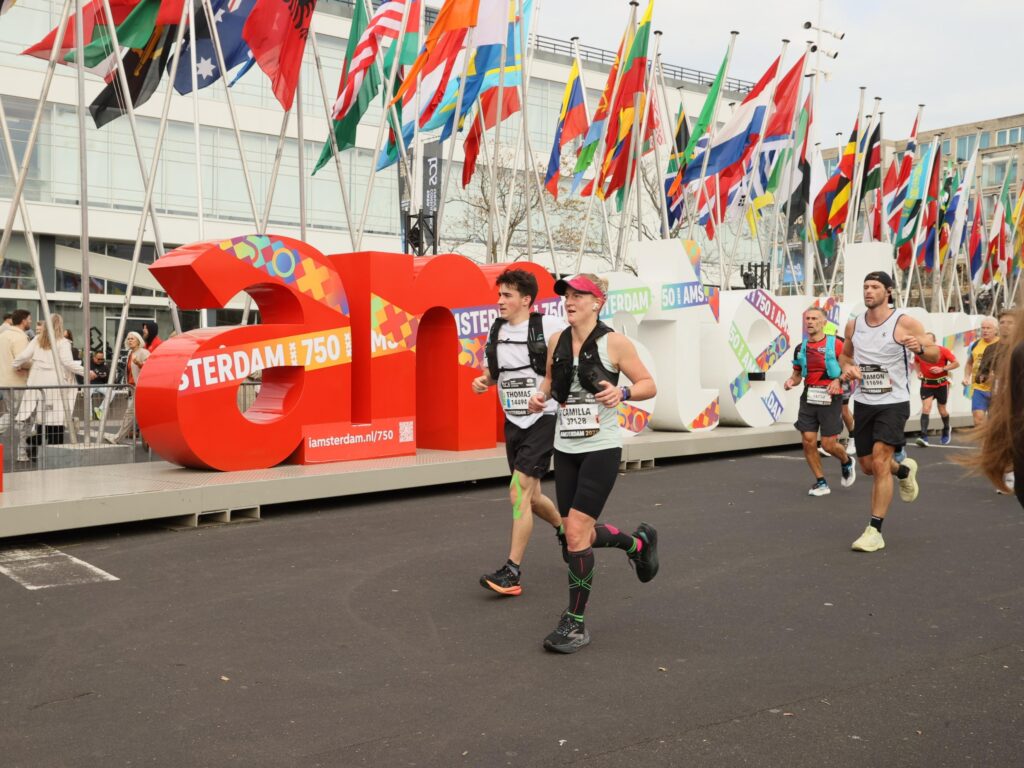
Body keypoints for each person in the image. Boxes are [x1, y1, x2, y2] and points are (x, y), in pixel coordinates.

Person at [527, 274, 658, 654]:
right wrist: (539, 398)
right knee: (573, 533)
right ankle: (637, 544)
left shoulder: (614, 342)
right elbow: (550, 383)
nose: (569, 300)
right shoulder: (557, 340)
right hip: (565, 447)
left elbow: (649, 384)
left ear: (597, 301)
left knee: (576, 535)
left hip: (600, 447)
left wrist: (625, 391)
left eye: (577, 295)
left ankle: (576, 623)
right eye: (566, 295)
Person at [472, 269, 567, 596]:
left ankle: (511, 571)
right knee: (533, 496)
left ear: (526, 299)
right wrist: (482, 382)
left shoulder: (551, 326)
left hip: (543, 419)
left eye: (507, 295)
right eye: (499, 295)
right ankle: (564, 531)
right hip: (514, 421)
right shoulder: (495, 331)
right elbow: (492, 373)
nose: (500, 301)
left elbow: (568, 363)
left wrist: (549, 392)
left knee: (518, 491)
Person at [839, 271, 938, 553]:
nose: (869, 291)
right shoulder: (854, 325)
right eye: (866, 286)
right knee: (868, 466)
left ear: (889, 291)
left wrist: (919, 347)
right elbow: (845, 355)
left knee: (881, 462)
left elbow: (934, 353)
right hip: (865, 401)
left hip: (894, 402)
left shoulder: (904, 322)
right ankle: (904, 470)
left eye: (875, 287)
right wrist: (848, 368)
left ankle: (875, 530)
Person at [784, 307, 856, 496]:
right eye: (807, 318)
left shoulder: (837, 344)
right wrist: (791, 381)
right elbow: (798, 373)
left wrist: (838, 380)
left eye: (814, 318)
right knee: (808, 441)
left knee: (828, 445)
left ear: (824, 322)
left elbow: (851, 368)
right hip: (809, 397)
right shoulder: (801, 347)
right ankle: (821, 482)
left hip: (831, 397)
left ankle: (847, 461)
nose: (810, 321)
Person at [961, 307, 1024, 508]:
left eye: (1009, 322)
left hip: (1014, 400)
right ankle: (1007, 471)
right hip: (995, 396)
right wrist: (980, 377)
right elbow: (981, 370)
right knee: (998, 431)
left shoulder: (1019, 348)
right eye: (1002, 322)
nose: (1005, 326)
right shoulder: (991, 348)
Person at [12, 313, 83, 461]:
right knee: (56, 418)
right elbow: (68, 363)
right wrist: (86, 371)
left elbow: (24, 355)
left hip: (37, 381)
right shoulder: (63, 343)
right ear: (60, 326)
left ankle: (35, 449)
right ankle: (54, 454)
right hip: (55, 382)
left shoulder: (37, 340)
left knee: (41, 417)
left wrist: (16, 365)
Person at [914, 332, 958, 447]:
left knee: (942, 409)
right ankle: (924, 437)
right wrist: (918, 372)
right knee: (926, 408)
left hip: (941, 384)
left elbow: (956, 363)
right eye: (925, 341)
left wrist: (942, 368)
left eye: (929, 341)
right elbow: (916, 362)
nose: (927, 344)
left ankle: (946, 428)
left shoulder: (943, 350)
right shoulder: (920, 352)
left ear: (934, 341)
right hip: (927, 384)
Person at [106, 331, 149, 445]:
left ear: (139, 340)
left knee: (129, 414)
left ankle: (117, 438)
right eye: (128, 339)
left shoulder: (143, 352)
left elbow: (150, 366)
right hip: (132, 388)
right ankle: (151, 439)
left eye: (132, 339)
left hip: (140, 389)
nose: (130, 340)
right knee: (142, 415)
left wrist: (139, 363)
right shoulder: (130, 353)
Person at [0, 309, 32, 455]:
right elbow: (22, 360)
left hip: (4, 381)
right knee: (24, 416)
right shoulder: (20, 338)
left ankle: (22, 451)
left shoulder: (3, 335)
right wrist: (35, 363)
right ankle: (22, 452)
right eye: (30, 319)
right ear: (24, 320)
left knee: (10, 413)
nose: (30, 322)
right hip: (18, 382)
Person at [963, 316, 999, 427]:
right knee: (978, 420)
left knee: (995, 422)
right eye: (983, 328)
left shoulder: (1002, 344)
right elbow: (969, 363)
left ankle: (994, 442)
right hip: (978, 388)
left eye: (988, 328)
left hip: (996, 389)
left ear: (996, 330)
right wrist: (966, 377)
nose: (985, 330)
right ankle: (983, 444)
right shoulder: (975, 344)